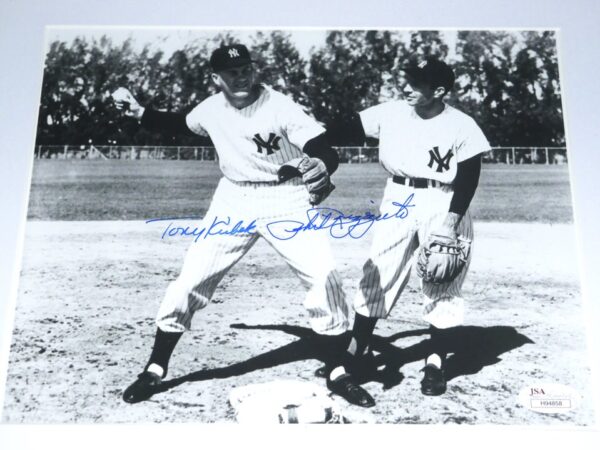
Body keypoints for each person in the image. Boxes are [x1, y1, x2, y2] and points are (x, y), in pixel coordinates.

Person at [112, 44, 374, 407]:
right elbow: (177, 123)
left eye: (245, 68)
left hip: (286, 199)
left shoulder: (279, 106)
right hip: (233, 199)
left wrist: (323, 164)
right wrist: (140, 112)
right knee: (190, 280)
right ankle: (155, 368)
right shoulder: (209, 109)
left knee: (324, 278)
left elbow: (321, 146)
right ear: (215, 77)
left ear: (254, 69)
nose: (240, 76)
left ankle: (338, 371)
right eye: (230, 71)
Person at [327, 57, 490, 401]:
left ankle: (435, 360)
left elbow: (469, 178)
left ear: (439, 91)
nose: (406, 88)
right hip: (398, 195)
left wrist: (451, 222)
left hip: (444, 200)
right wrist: (307, 141)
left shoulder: (462, 125)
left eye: (416, 84)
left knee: (442, 278)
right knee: (378, 271)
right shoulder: (391, 112)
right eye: (408, 80)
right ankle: (358, 353)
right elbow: (343, 128)